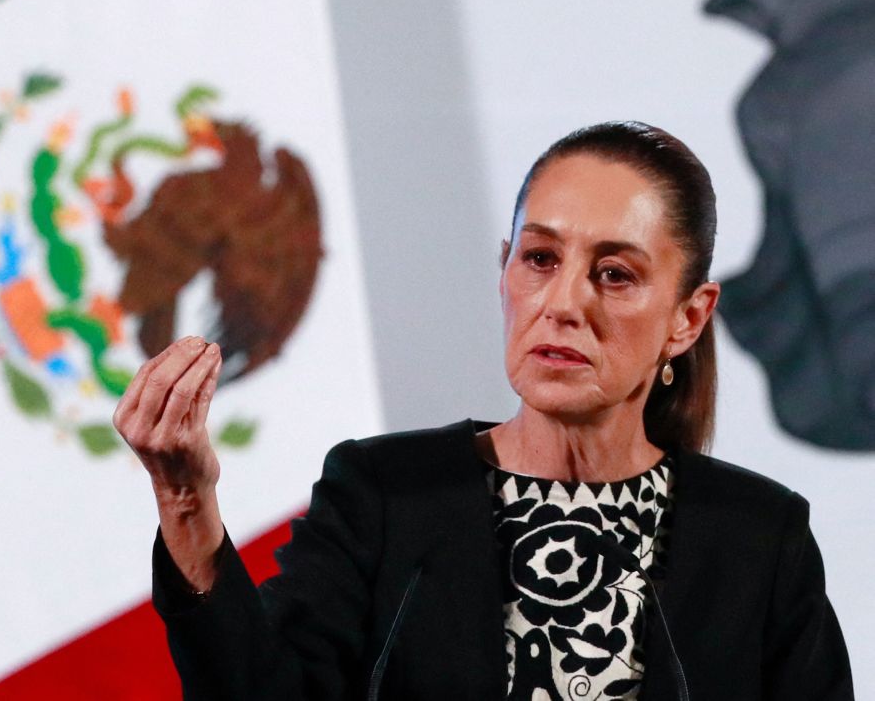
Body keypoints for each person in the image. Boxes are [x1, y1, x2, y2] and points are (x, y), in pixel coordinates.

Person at [114, 122, 854, 700]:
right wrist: (186, 500)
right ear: (504, 270)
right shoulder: (383, 495)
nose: (563, 304)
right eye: (539, 260)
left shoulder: (760, 539)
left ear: (688, 319)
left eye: (615, 274)